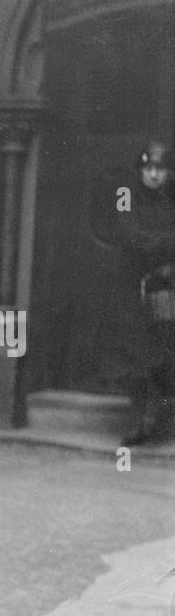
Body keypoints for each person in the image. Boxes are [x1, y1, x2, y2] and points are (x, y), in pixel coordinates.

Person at [92, 140, 175, 445]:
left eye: (161, 169)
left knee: (166, 351)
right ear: (140, 170)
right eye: (148, 168)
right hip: (131, 287)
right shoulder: (126, 196)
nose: (154, 174)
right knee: (135, 353)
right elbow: (129, 235)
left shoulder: (169, 199)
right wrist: (168, 243)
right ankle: (140, 419)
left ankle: (159, 418)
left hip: (165, 286)